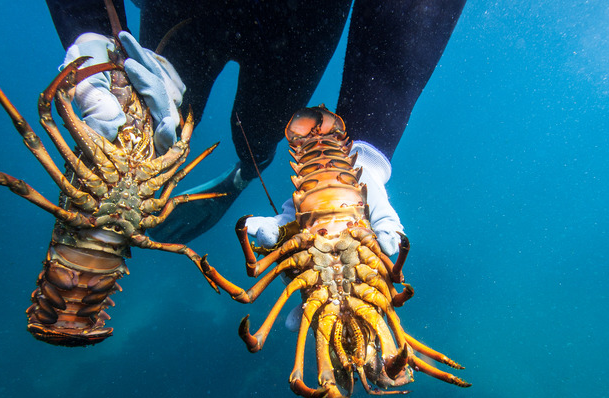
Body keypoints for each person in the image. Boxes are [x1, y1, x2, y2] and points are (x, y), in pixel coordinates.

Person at [45, 0, 467, 256]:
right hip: (182, 10)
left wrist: (366, 153)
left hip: (299, 25)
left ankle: (242, 174)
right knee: (149, 123)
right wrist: (92, 34)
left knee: (257, 131)